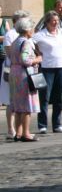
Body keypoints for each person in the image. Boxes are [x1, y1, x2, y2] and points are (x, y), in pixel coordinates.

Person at [33, 11, 62, 134]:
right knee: (44, 97)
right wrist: (38, 54)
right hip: (46, 68)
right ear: (47, 22)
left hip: (61, 66)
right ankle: (42, 125)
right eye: (53, 21)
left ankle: (57, 124)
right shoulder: (41, 35)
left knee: (58, 97)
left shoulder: (61, 32)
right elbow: (31, 44)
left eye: (57, 21)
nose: (56, 23)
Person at [8, 17, 42, 142]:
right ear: (27, 29)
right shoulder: (26, 42)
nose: (33, 30)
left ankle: (18, 133)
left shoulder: (15, 41)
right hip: (24, 74)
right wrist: (38, 59)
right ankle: (26, 133)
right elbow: (26, 60)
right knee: (27, 105)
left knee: (18, 106)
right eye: (31, 28)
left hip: (14, 73)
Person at [1, 10, 29, 140]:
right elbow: (10, 54)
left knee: (15, 101)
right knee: (11, 100)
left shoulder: (24, 35)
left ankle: (19, 129)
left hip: (17, 68)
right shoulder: (11, 34)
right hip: (12, 69)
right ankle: (11, 128)